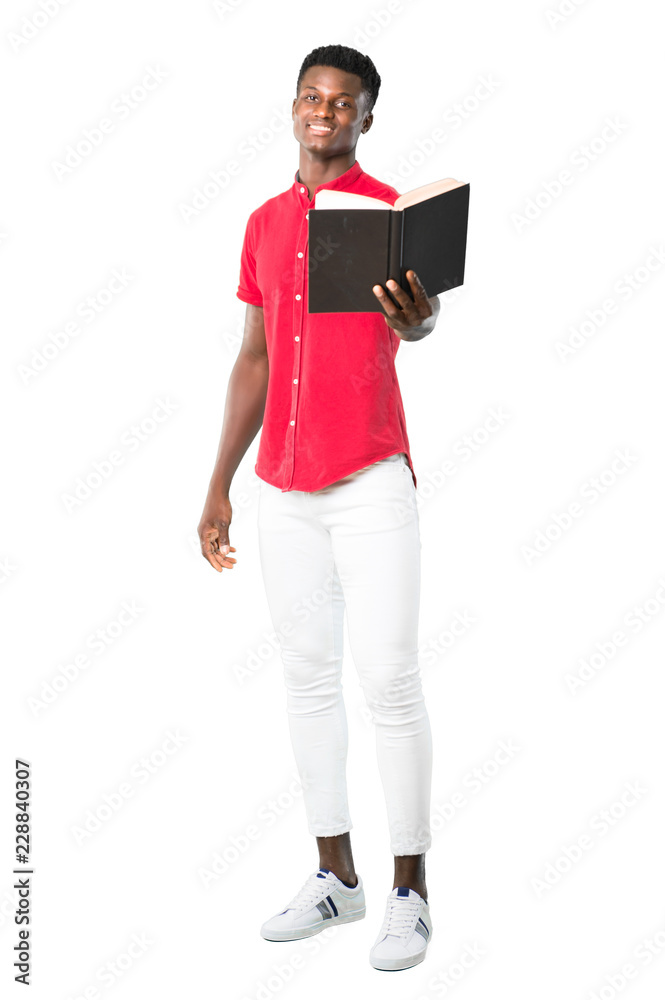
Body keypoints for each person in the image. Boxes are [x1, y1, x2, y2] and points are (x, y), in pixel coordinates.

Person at [197, 43, 440, 972]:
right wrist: (218, 482)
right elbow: (253, 357)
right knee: (306, 681)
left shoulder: (391, 215)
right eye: (311, 96)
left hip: (369, 478)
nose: (323, 112)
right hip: (283, 492)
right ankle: (336, 877)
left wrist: (417, 319)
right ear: (293, 106)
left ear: (366, 118)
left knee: (389, 683)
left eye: (342, 103)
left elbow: (419, 320)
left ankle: (410, 890)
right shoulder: (262, 223)